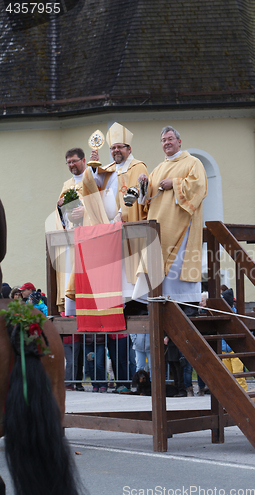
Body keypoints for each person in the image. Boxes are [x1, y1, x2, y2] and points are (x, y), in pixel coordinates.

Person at [84, 122, 148, 392]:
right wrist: (93, 167)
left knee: (128, 272)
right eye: (112, 148)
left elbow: (137, 192)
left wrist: (123, 213)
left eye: (119, 147)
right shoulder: (108, 170)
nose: (115, 151)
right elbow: (93, 190)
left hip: (127, 227)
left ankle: (133, 302)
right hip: (108, 231)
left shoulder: (138, 167)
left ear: (128, 148)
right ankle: (119, 303)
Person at [137, 125, 207, 311]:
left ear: (179, 141)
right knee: (156, 262)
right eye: (163, 140)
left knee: (178, 264)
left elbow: (199, 186)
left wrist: (174, 184)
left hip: (181, 224)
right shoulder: (158, 168)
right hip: (158, 225)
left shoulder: (193, 163)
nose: (166, 143)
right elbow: (146, 199)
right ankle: (154, 301)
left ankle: (187, 303)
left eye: (170, 139)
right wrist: (144, 184)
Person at [55, 147, 89, 314]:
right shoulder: (67, 185)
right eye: (68, 162)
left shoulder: (93, 179)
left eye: (74, 160)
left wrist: (86, 212)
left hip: (89, 236)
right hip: (71, 237)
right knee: (70, 274)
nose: (71, 164)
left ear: (83, 160)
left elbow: (101, 206)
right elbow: (61, 217)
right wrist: (60, 207)